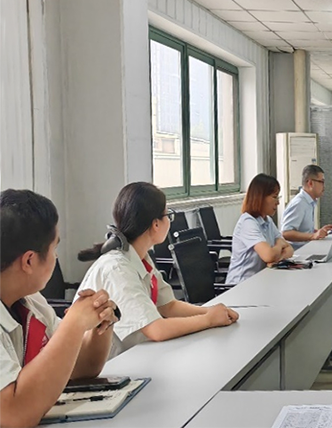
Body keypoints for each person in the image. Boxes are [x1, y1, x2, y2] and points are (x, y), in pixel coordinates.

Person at [0, 189, 118, 427]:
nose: (55, 257)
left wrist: (99, 323)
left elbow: (81, 368)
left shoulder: (30, 301)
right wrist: (73, 325)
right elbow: (11, 415)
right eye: (54, 249)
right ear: (29, 260)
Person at [78, 182, 238, 356]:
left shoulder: (141, 258)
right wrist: (208, 320)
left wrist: (212, 311)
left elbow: (168, 305)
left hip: (136, 354)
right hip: (109, 365)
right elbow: (157, 330)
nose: (169, 221)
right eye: (167, 215)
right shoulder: (118, 269)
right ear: (156, 224)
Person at [226, 174, 294, 285]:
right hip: (240, 286)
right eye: (274, 197)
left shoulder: (267, 220)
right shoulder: (248, 222)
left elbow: (289, 249)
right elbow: (268, 255)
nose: (278, 202)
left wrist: (276, 260)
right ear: (260, 198)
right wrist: (279, 245)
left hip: (259, 281)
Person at [281, 165, 332, 249]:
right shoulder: (299, 203)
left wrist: (318, 232)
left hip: (308, 248)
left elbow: (303, 230)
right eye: (321, 182)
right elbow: (286, 233)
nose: (324, 187)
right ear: (310, 183)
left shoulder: (309, 202)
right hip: (298, 253)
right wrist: (313, 236)